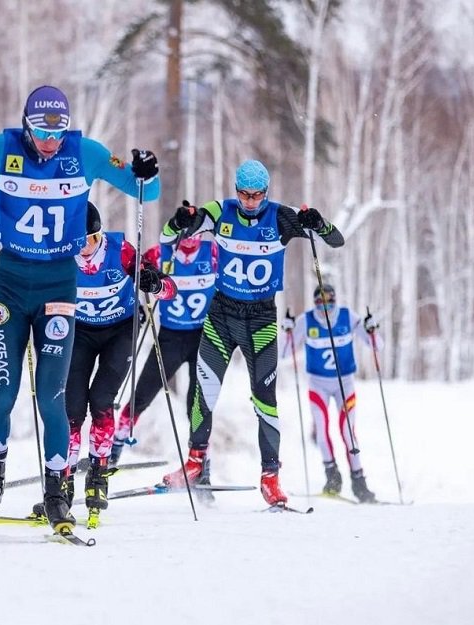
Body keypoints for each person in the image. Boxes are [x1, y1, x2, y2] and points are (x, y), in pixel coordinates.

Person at [0, 85, 160, 532]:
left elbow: (145, 191)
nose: (50, 142)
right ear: (27, 124)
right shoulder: (0, 149)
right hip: (10, 283)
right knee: (3, 393)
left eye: (59, 132)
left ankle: (55, 494)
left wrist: (145, 170)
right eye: (42, 131)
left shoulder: (85, 153)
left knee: (52, 397)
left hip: (58, 284)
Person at [157, 159, 344, 508]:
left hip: (261, 321)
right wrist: (180, 221)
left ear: (266, 192)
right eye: (244, 194)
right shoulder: (220, 211)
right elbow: (168, 236)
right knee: (204, 394)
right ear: (236, 190)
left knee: (265, 399)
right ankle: (196, 463)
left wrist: (317, 222)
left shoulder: (281, 215)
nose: (250, 202)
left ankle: (270, 477)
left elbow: (335, 240)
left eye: (257, 195)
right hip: (221, 316)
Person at [65, 202, 176, 515]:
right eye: (78, 240)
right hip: (81, 333)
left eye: (91, 239)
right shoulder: (61, 255)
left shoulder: (121, 251)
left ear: (100, 235)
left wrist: (154, 283)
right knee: (72, 406)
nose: (85, 248)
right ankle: (65, 477)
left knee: (101, 399)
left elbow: (170, 289)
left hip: (120, 331)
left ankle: (99, 474)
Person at [110, 231, 219, 467]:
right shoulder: (161, 254)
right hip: (171, 337)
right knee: (143, 393)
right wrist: (137, 305)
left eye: (197, 233)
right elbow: (134, 273)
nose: (191, 239)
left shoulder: (212, 252)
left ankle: (201, 463)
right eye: (186, 233)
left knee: (198, 404)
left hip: (204, 337)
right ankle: (115, 444)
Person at [280, 283, 379, 503]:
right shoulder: (306, 321)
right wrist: (286, 331)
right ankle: (332, 477)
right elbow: (284, 353)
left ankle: (359, 483)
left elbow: (376, 345)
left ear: (336, 300)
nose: (325, 306)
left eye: (329, 300)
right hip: (319, 385)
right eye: (319, 301)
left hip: (345, 384)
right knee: (322, 433)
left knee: (347, 432)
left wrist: (371, 329)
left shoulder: (347, 316)